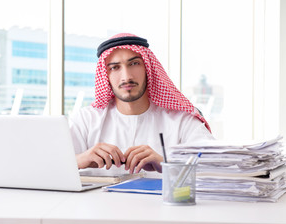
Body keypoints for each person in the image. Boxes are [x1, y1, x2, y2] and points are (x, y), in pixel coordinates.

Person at [70, 33, 214, 174]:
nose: (126, 77)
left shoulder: (182, 120)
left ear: (148, 68)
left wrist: (166, 163)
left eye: (134, 64)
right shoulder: (87, 119)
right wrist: (80, 160)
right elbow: (52, 165)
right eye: (115, 67)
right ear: (106, 75)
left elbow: (217, 165)